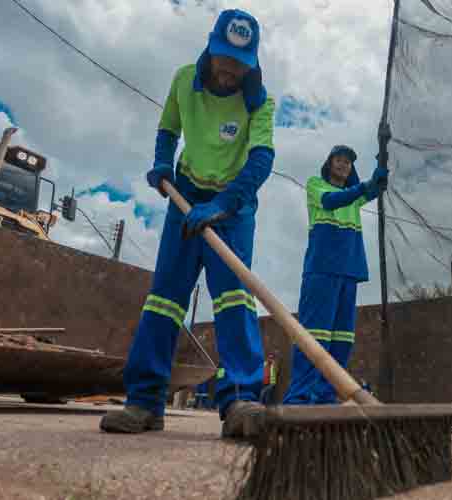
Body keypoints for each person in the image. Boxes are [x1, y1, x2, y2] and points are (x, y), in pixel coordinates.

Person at [100, 9, 276, 439]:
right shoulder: (183, 80)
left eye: (240, 62)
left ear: (251, 62)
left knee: (234, 300)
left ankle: (239, 401)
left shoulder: (261, 101)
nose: (230, 70)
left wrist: (225, 203)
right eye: (223, 58)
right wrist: (162, 163)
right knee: (165, 300)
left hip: (233, 207)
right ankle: (144, 402)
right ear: (211, 48)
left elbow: (261, 158)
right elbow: (168, 129)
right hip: (185, 197)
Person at [283, 145, 387, 404]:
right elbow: (332, 201)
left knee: (342, 338)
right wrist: (366, 186)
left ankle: (325, 394)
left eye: (348, 162)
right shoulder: (317, 185)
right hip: (322, 269)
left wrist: (382, 169)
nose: (343, 165)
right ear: (329, 163)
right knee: (314, 334)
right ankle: (299, 396)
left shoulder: (354, 195)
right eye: (338, 160)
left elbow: (373, 190)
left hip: (349, 271)